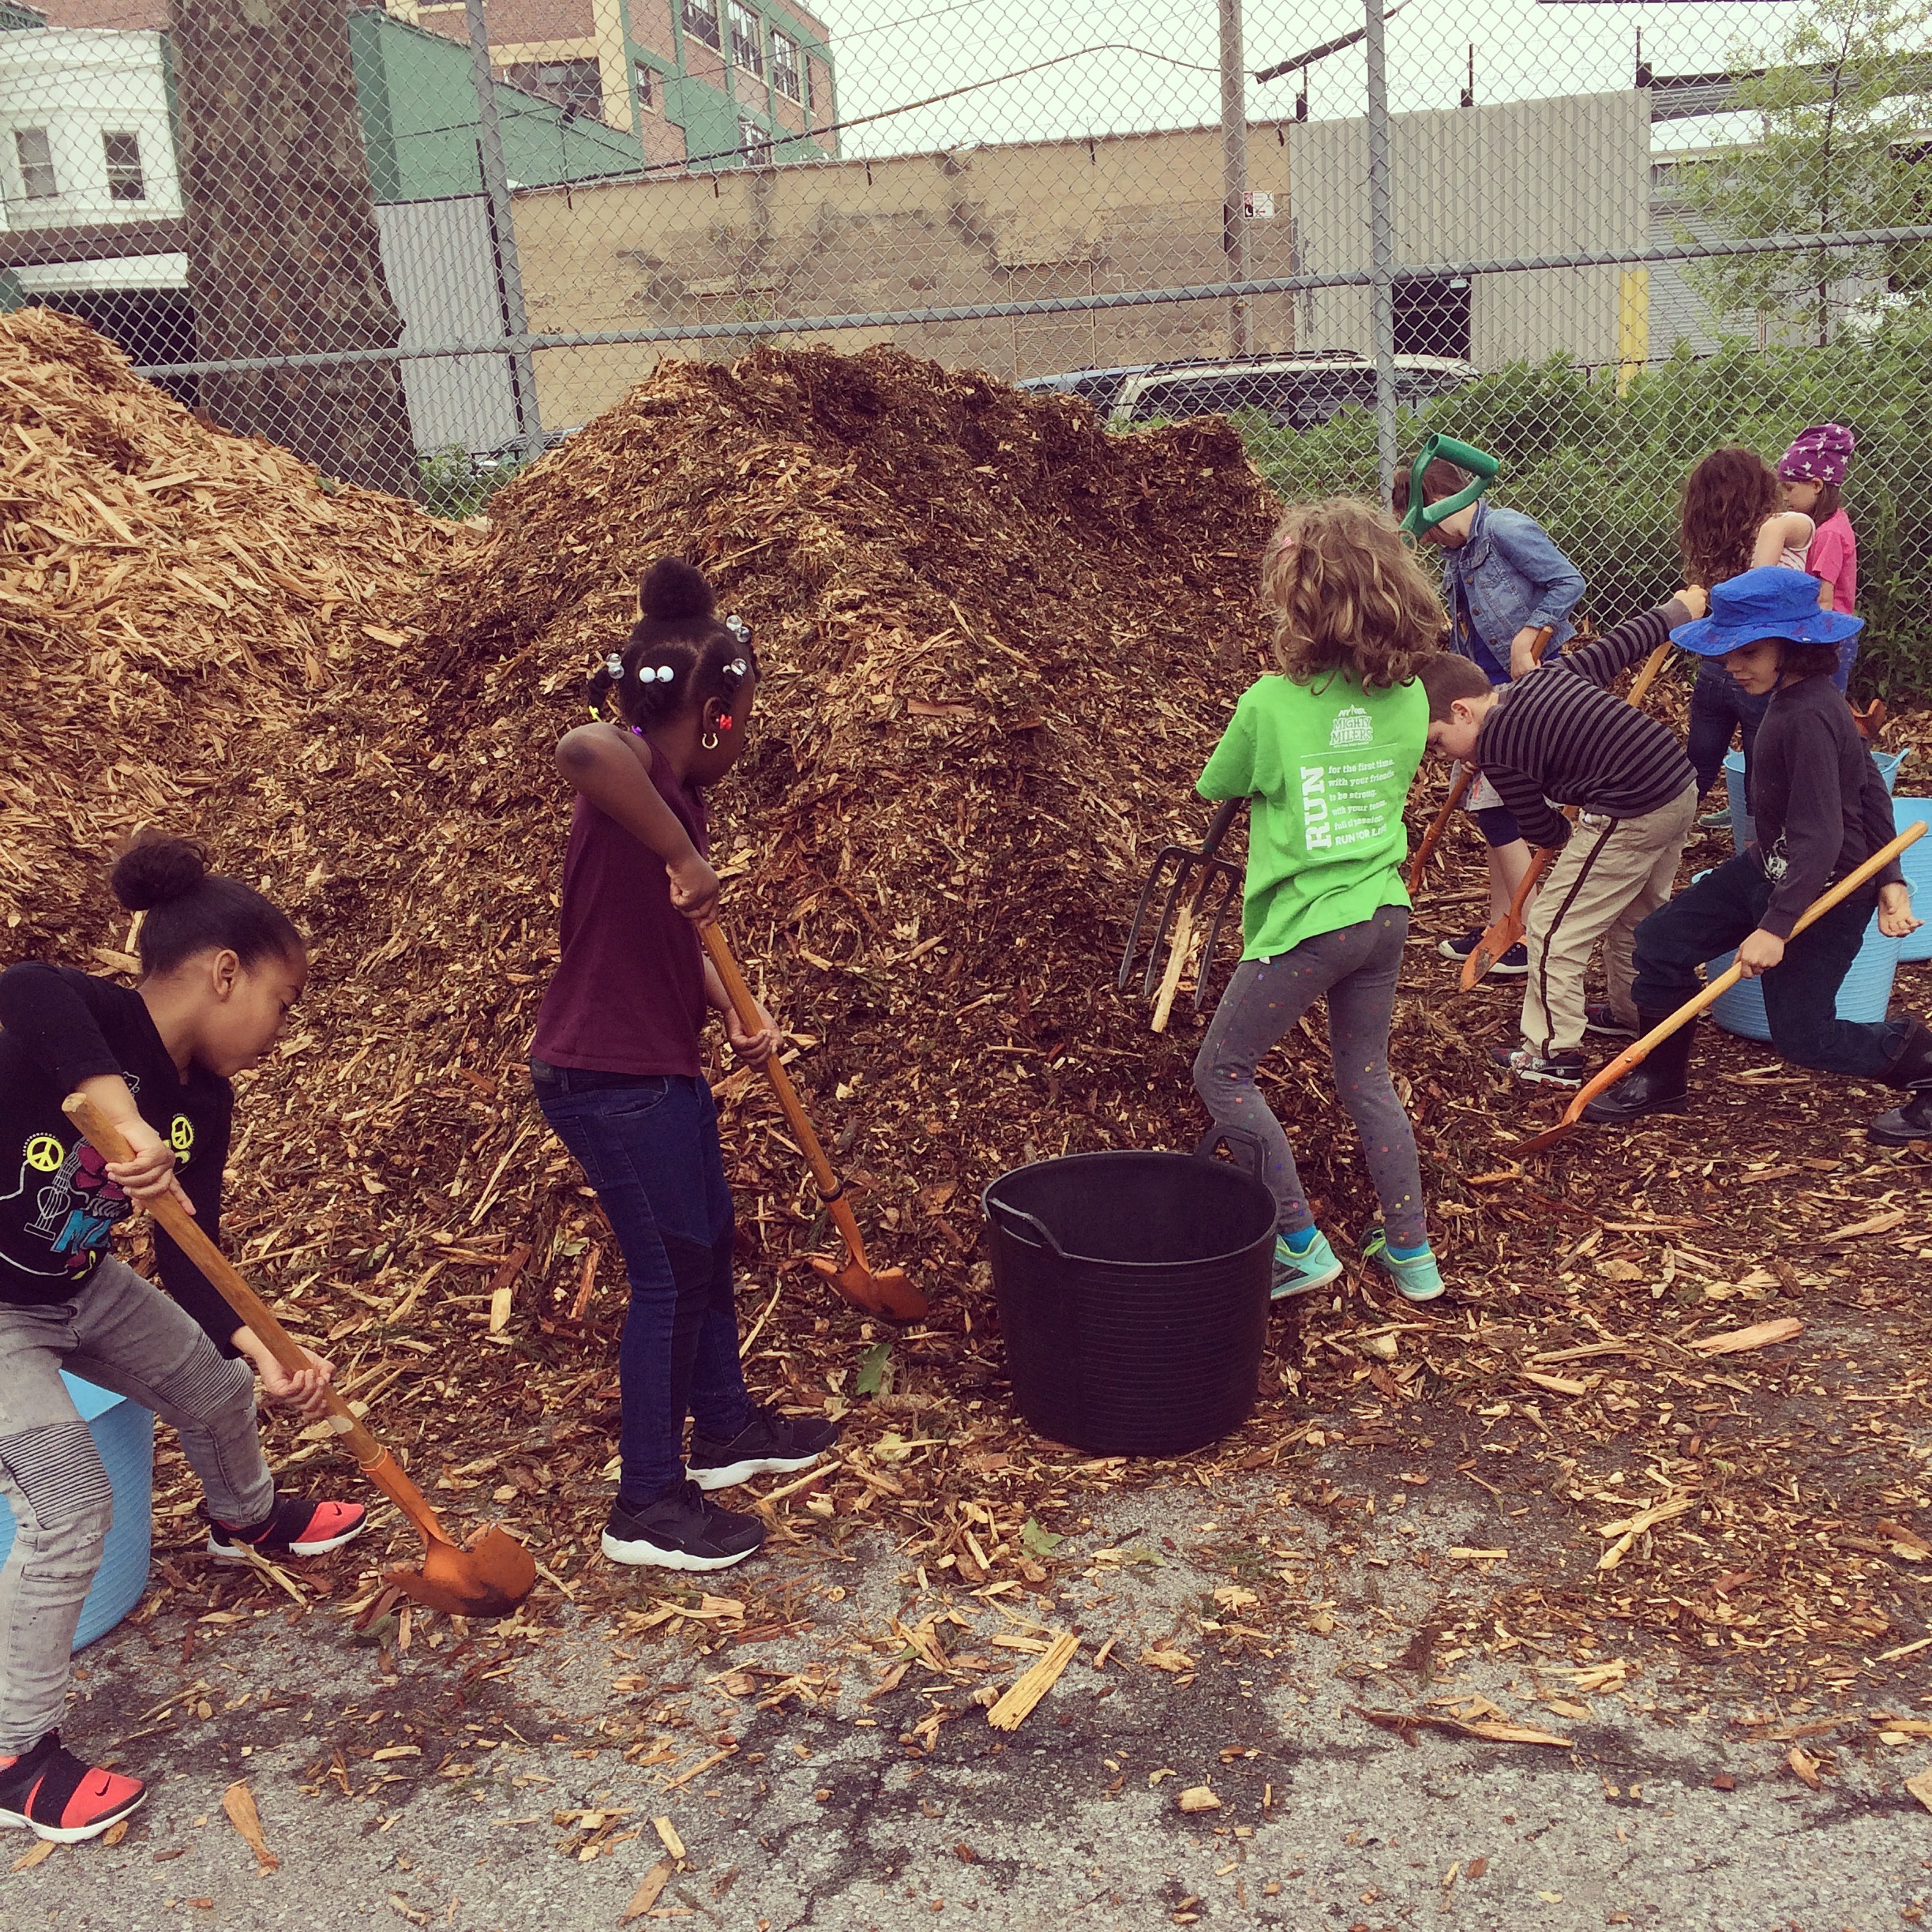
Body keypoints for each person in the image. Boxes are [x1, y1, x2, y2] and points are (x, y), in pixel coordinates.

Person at [0, 836, 362, 1844]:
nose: (281, 1030)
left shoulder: (206, 1101)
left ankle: (241, 1520)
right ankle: (14, 1749)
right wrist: (117, 1117)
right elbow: (23, 981)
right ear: (224, 971)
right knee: (70, 1506)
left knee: (211, 1388)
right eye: (282, 1002)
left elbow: (190, 1248)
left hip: (79, 1283)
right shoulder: (94, 1018)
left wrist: (257, 1342)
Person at [531, 560, 836, 1574]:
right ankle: (647, 1505)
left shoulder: (667, 797)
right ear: (711, 715)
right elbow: (580, 745)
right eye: (741, 719)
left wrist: (737, 1011)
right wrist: (685, 852)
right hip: (607, 1075)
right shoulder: (629, 771)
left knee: (707, 1242)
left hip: (656, 1064)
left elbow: (665, 940)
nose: (742, 740)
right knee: (666, 1273)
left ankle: (727, 1431)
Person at [1192, 497, 1445, 1305]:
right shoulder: (1410, 698)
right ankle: (1412, 1255)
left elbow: (1217, 784)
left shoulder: (1268, 704)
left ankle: (1297, 1242)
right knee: (1365, 1072)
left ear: (1297, 603)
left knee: (1222, 1070)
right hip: (1382, 911)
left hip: (1308, 924)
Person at [1581, 568, 1931, 1143]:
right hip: (1771, 870)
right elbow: (1867, 784)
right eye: (1727, 650)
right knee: (1661, 942)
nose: (1732, 664)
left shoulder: (1808, 716)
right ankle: (1660, 1078)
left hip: (1823, 890)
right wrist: (1891, 875)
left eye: (1749, 650)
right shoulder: (1796, 700)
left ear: (1794, 646)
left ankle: (1925, 1066)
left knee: (1803, 1037)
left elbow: (1821, 836)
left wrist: (1776, 925)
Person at [1416, 583, 1709, 1087]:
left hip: (1630, 807)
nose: (1444, 755)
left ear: (1462, 711)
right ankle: (1632, 1013)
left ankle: (1553, 1052)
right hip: (1677, 784)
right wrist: (1678, 610)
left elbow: (1543, 829)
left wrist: (1570, 831)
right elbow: (1623, 643)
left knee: (1552, 928)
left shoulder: (1498, 750)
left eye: (1439, 741)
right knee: (1635, 912)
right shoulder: (1546, 674)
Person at [1391, 457, 1585, 978]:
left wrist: (1530, 633)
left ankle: (1525, 929)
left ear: (1438, 504)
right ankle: (1502, 920)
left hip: (1526, 689)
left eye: (1426, 528)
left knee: (1496, 805)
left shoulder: (1503, 530)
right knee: (1484, 805)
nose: (1428, 542)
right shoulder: (1461, 551)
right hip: (1483, 694)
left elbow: (1567, 582)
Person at [1680, 446, 1819, 821]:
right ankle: (1759, 854)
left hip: (1718, 666)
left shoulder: (1771, 531)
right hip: (1762, 666)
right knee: (1765, 775)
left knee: (1697, 770)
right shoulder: (1791, 524)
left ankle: (1664, 839)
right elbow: (1759, 583)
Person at [1778, 424, 1859, 690]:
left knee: (1823, 701)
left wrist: (1810, 649)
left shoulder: (1828, 534)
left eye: (1789, 489)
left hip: (1829, 637)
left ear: (1816, 485)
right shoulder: (1835, 521)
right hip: (1830, 632)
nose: (1785, 497)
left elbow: (1824, 598)